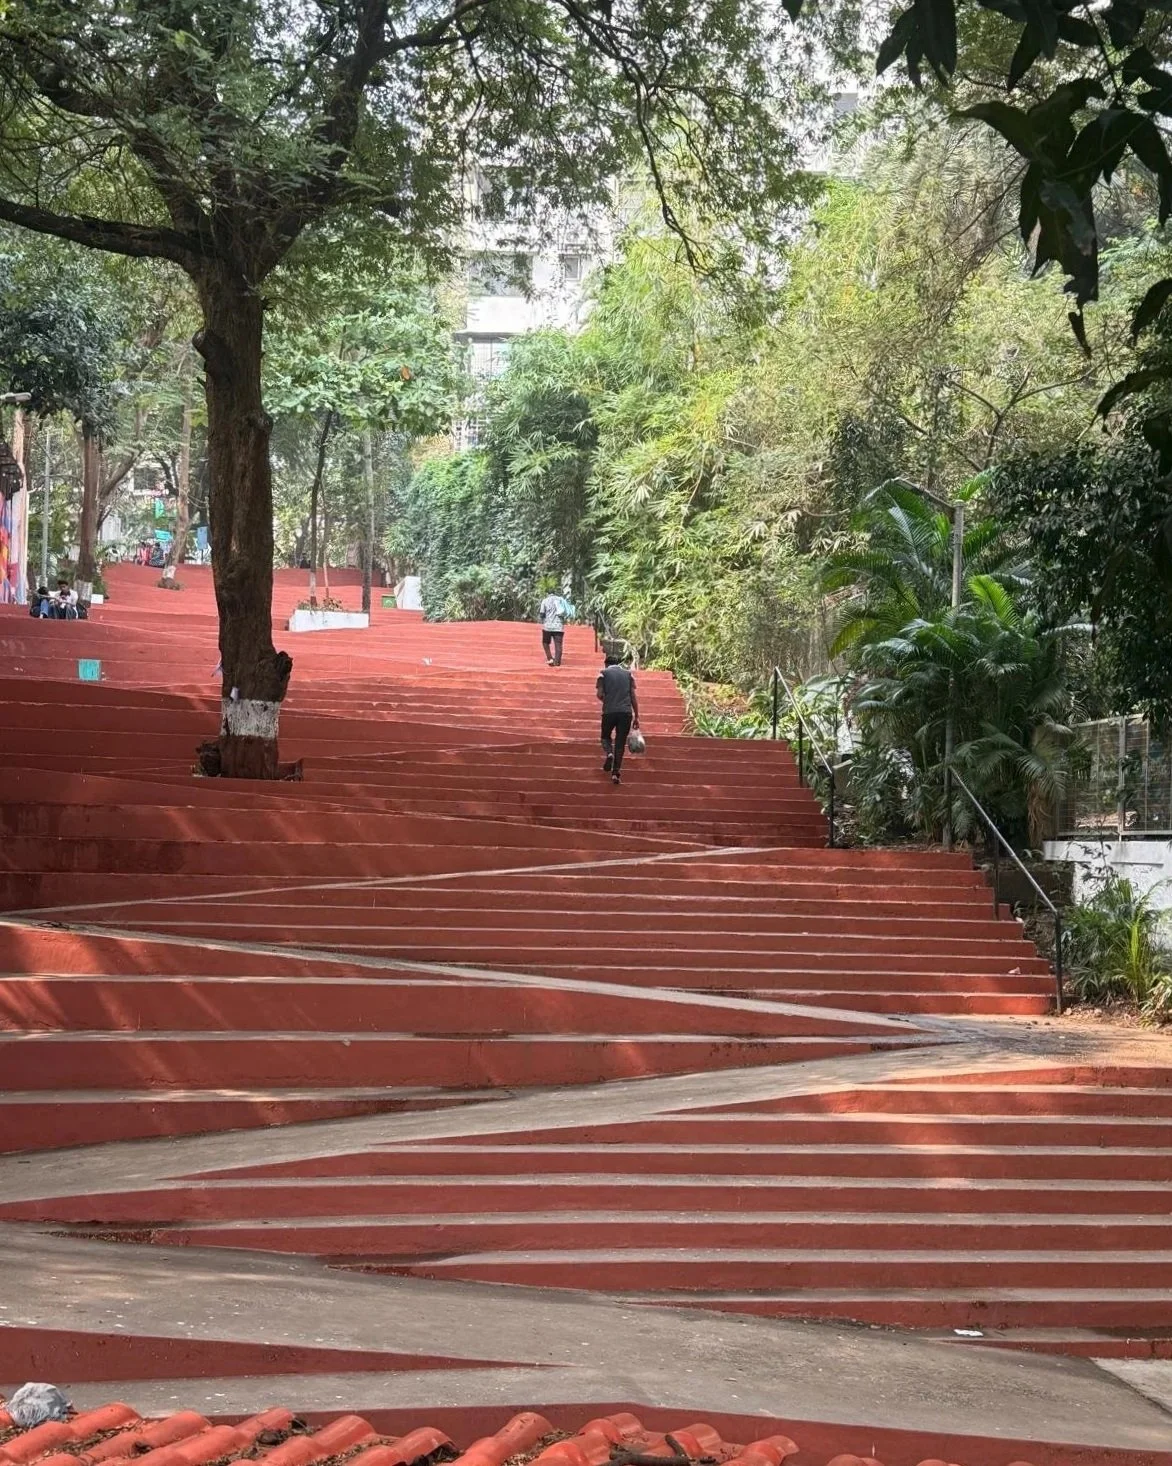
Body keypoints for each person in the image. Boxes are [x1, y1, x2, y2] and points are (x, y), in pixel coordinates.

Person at [596, 653, 640, 785]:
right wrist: (637, 716)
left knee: (605, 737)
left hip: (609, 712)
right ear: (618, 664)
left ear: (606, 664)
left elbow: (599, 694)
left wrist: (607, 701)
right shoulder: (628, 675)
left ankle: (609, 753)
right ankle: (615, 773)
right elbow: (633, 696)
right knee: (620, 743)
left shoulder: (603, 674)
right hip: (626, 713)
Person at [538, 589, 570, 666]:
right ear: (555, 593)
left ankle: (550, 658)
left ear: (547, 593)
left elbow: (542, 613)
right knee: (558, 644)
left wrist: (544, 618)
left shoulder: (545, 601)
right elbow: (565, 611)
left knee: (545, 643)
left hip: (548, 626)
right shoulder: (560, 600)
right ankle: (557, 662)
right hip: (558, 626)